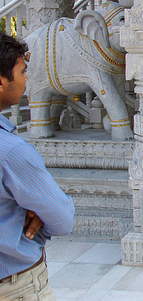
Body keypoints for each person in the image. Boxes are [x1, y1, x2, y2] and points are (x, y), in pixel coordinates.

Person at [0, 33, 75, 300]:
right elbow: (63, 219)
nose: (26, 79)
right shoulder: (11, 152)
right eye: (22, 71)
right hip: (14, 285)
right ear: (0, 81)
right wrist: (39, 211)